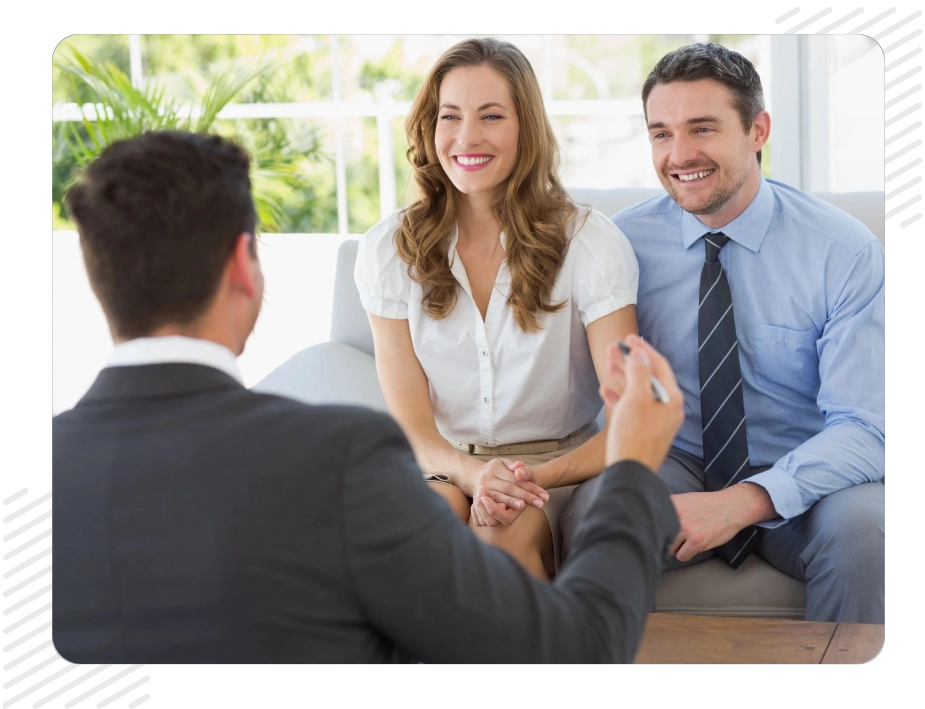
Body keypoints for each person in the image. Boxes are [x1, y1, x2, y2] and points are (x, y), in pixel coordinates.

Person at [51, 129, 684, 664]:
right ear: (245, 268)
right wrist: (630, 467)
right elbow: (570, 649)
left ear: (99, 275)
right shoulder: (337, 460)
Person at [560, 42, 886, 624]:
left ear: (757, 129)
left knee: (868, 532)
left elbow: (865, 429)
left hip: (808, 477)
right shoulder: (620, 245)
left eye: (702, 128)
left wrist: (743, 502)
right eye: (661, 133)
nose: (679, 154)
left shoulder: (842, 251)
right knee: (597, 514)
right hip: (676, 460)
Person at [354, 37, 640, 581]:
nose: (467, 138)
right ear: (429, 127)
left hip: (557, 469)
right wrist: (471, 475)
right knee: (421, 540)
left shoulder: (590, 242)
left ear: (525, 128)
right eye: (450, 116)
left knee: (496, 542)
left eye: (491, 116)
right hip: (442, 465)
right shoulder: (388, 249)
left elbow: (630, 418)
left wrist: (526, 478)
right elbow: (414, 428)